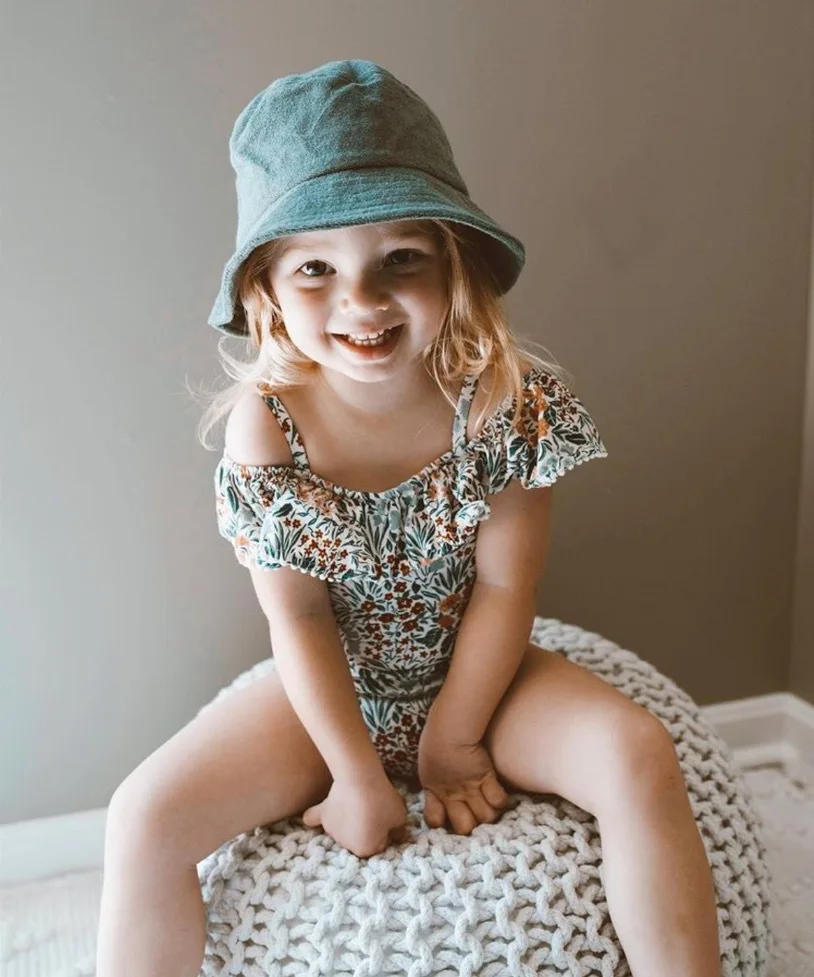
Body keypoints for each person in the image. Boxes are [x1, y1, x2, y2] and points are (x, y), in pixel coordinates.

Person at [95, 59, 721, 977]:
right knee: (142, 816)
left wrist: (455, 739)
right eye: (316, 267)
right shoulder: (267, 424)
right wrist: (355, 772)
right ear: (268, 288)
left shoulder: (504, 400)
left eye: (400, 259)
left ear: (451, 261)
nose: (362, 299)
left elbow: (506, 585)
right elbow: (299, 615)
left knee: (639, 755)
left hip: (485, 679)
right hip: (333, 691)